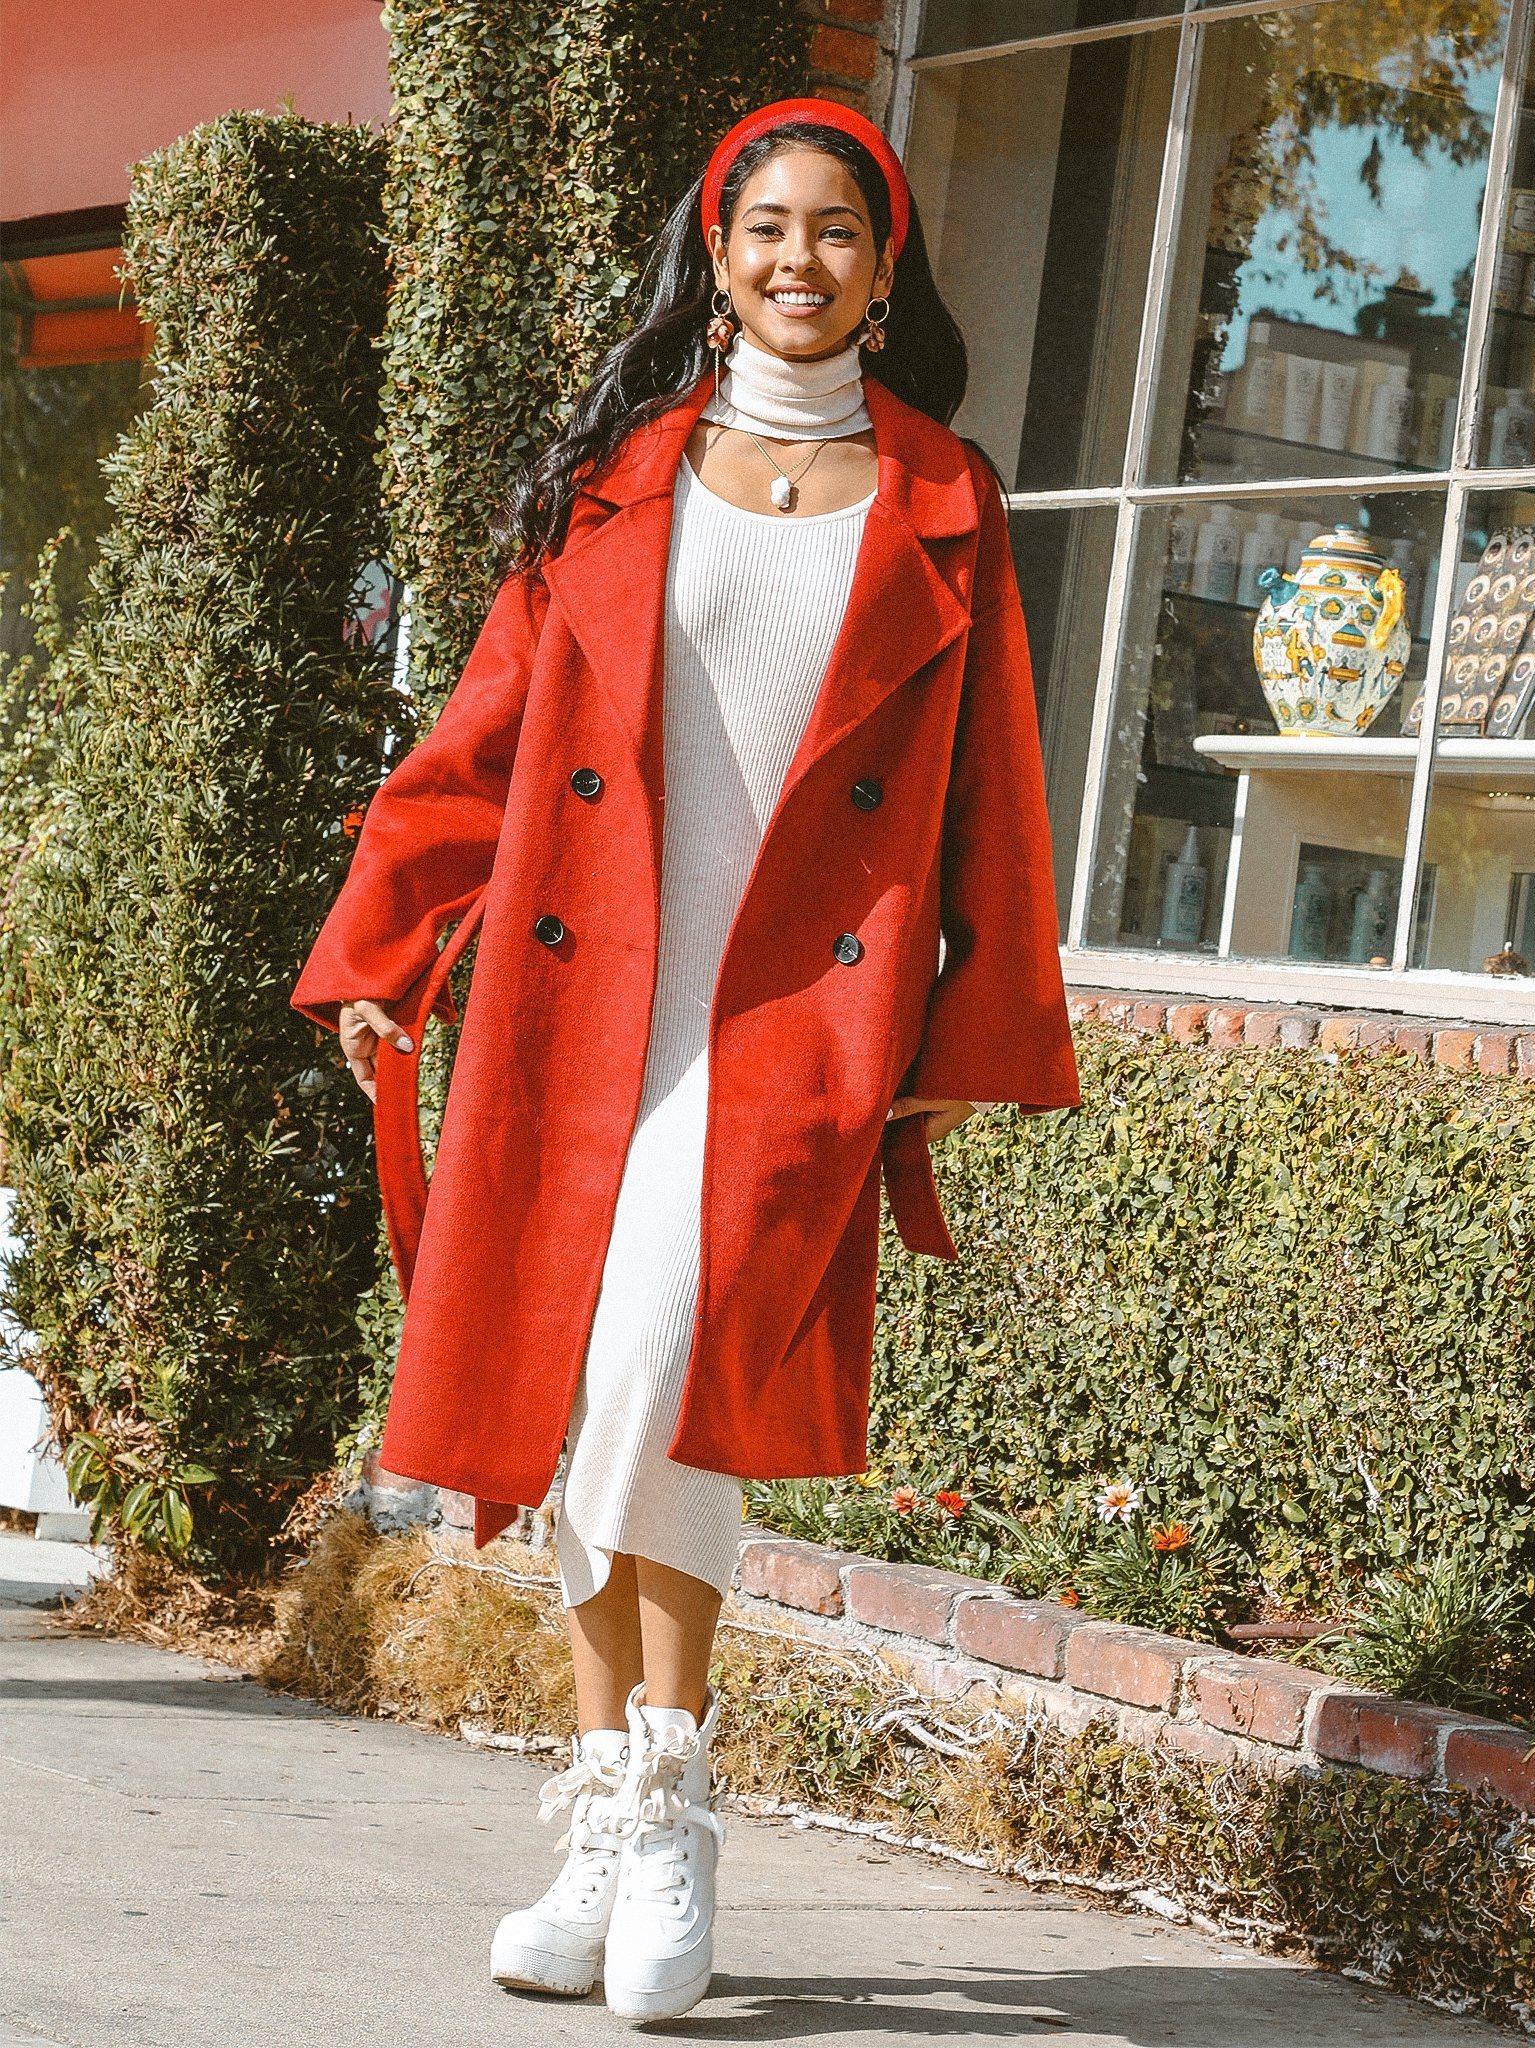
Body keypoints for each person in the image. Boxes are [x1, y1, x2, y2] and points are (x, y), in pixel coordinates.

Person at [292, 96, 1079, 2023]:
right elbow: (488, 734)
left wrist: (967, 1031)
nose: (796, 260)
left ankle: (664, 1792)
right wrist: (385, 941)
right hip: (586, 1009)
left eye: (834, 232)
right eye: (764, 231)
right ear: (713, 260)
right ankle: (619, 1809)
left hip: (800, 1017)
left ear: (883, 271)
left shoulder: (944, 501)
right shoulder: (617, 481)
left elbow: (993, 804)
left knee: (656, 1365)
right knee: (589, 1397)